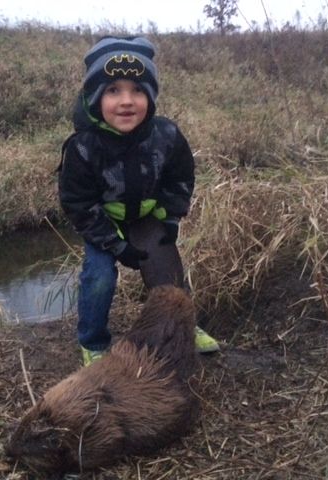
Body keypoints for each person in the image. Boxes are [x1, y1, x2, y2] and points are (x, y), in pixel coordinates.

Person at [59, 36, 220, 366]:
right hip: (103, 220)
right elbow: (78, 204)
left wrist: (171, 218)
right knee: (99, 275)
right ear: (94, 98)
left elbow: (180, 178)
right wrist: (117, 246)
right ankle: (93, 341)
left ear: (150, 96)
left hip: (148, 214)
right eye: (113, 90)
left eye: (137, 90)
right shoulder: (82, 147)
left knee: (167, 270)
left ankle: (184, 328)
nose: (126, 101)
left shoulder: (167, 135)